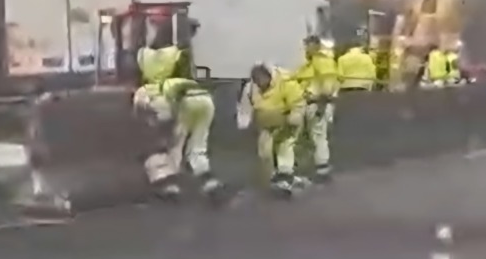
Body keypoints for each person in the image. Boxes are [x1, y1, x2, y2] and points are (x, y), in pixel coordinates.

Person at [132, 73, 226, 203]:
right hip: (207, 101)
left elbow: (157, 118)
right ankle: (210, 183)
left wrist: (164, 138)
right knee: (198, 147)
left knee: (176, 147)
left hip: (186, 102)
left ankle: (170, 186)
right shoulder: (172, 81)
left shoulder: (145, 93)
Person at [239, 63, 306, 198]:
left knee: (284, 147)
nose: (260, 85)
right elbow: (245, 107)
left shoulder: (286, 82)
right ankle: (272, 178)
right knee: (264, 152)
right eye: (257, 82)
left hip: (285, 121)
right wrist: (244, 123)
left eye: (262, 81)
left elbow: (298, 102)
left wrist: (294, 118)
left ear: (269, 76)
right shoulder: (251, 87)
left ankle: (285, 179)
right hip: (265, 123)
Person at [294, 35, 340, 183]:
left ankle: (322, 169)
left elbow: (327, 86)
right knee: (309, 137)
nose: (305, 49)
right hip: (307, 104)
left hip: (317, 103)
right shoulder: (309, 64)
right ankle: (309, 167)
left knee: (318, 135)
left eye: (307, 45)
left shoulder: (323, 62)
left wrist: (321, 103)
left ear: (315, 46)